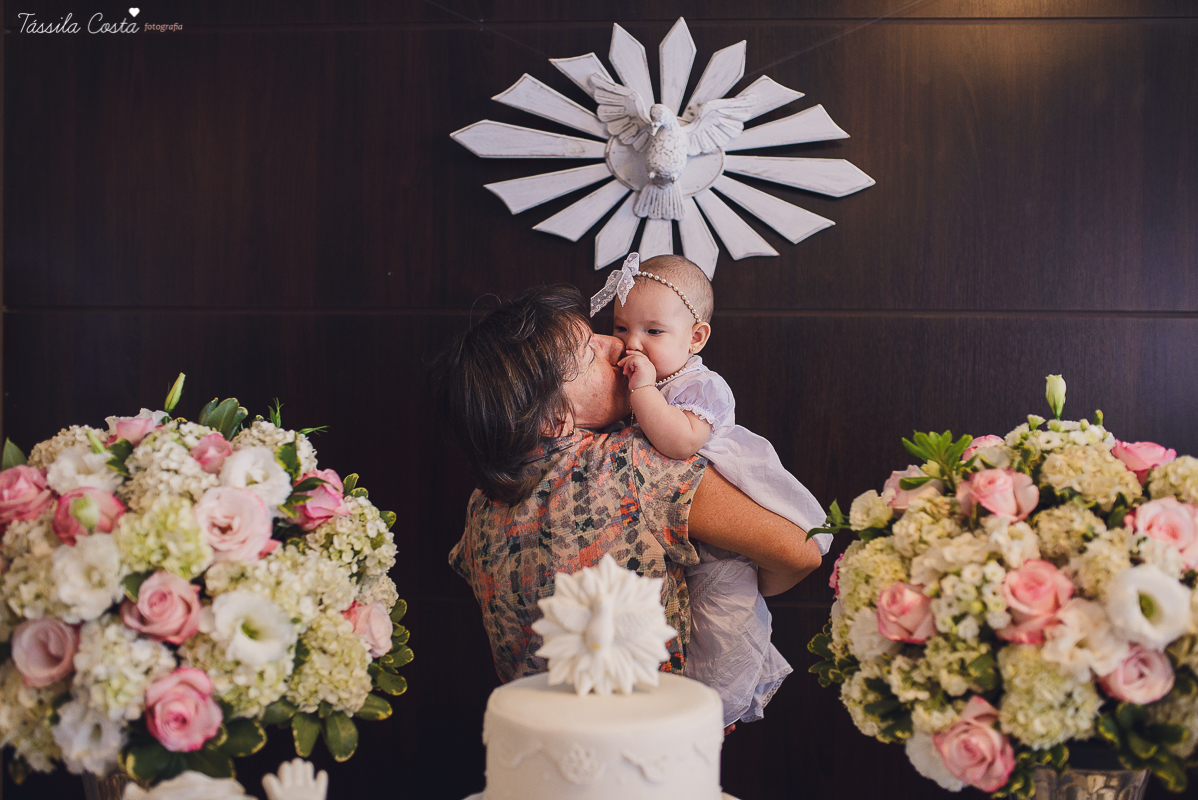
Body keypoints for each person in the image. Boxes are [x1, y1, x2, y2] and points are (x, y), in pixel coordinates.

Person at [431, 283, 822, 685]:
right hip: (650, 734)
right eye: (591, 351)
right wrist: (740, 590)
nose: (617, 346)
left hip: (533, 737)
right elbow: (802, 550)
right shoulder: (631, 464)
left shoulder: (479, 506)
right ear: (554, 421)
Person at [591, 252, 832, 727]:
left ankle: (713, 721)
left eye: (653, 332)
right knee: (689, 636)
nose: (632, 344)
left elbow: (679, 443)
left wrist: (640, 392)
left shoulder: (701, 387)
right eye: (621, 329)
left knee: (722, 633)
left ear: (695, 337)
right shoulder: (651, 381)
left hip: (726, 542)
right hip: (685, 546)